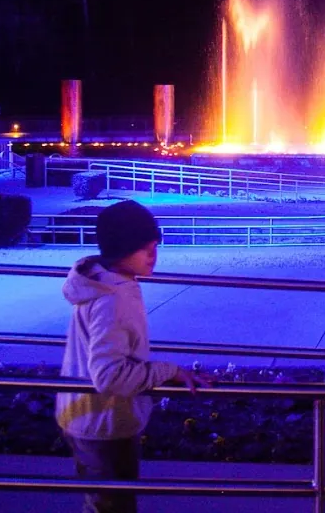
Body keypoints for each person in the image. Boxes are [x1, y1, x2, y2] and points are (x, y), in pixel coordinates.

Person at [56, 199, 209, 513]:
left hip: (85, 417)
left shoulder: (101, 282)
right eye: (144, 248)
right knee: (113, 506)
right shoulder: (112, 299)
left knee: (102, 503)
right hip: (104, 423)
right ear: (121, 248)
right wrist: (169, 371)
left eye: (155, 245)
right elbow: (110, 376)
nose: (153, 255)